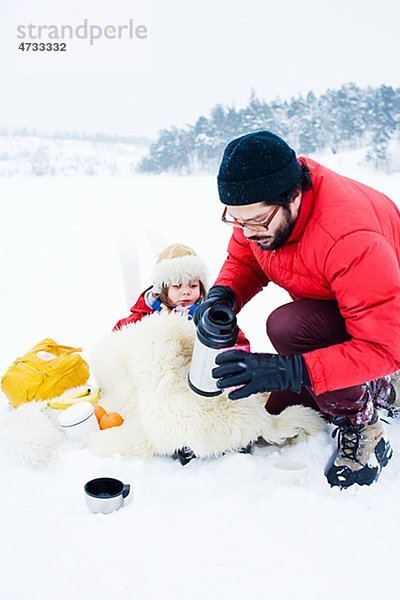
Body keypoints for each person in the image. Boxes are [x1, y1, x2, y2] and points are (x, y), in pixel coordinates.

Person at [195, 130, 400, 489]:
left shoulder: (351, 238)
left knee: (289, 326)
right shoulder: (262, 208)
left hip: (386, 318)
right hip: (345, 300)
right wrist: (223, 296)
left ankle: (364, 424)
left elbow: (386, 344)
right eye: (237, 221)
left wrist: (291, 370)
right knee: (275, 405)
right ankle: (379, 386)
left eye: (256, 221)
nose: (247, 231)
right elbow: (244, 259)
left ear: (294, 196)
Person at [113, 243, 208, 330]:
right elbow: (120, 332)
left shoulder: (208, 315)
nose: (186, 292)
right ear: (163, 289)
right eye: (177, 286)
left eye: (193, 286)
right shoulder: (146, 315)